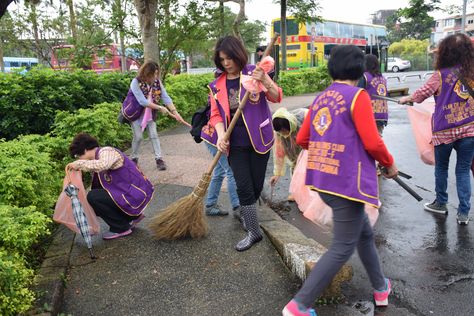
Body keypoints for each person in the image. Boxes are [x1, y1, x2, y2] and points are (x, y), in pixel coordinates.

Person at [282, 45, 398, 316]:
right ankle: (299, 305)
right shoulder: (358, 97)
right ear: (360, 71)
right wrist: (390, 163)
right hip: (348, 184)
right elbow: (372, 141)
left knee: (364, 234)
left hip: (323, 178)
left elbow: (302, 139)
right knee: (343, 245)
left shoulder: (321, 98)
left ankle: (381, 288)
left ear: (331, 68)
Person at [209, 35, 282, 251]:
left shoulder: (253, 72)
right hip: (235, 144)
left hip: (259, 139)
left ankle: (249, 217)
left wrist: (265, 80)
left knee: (256, 186)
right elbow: (215, 115)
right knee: (243, 186)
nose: (227, 63)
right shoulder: (217, 84)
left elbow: (276, 96)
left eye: (230, 58)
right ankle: (253, 230)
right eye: (222, 59)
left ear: (238, 55)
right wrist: (222, 135)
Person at [400, 33, 474, 225]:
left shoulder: (440, 75)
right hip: (469, 130)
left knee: (441, 167)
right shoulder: (472, 73)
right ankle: (464, 213)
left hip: (444, 131)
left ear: (446, 52)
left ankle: (441, 203)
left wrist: (407, 99)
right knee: (463, 170)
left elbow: (422, 93)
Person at [67, 133, 154, 240]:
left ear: (84, 150)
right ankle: (132, 216)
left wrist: (79, 164)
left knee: (93, 197)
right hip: (129, 192)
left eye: (77, 156)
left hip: (135, 193)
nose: (78, 159)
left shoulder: (106, 151)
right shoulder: (97, 157)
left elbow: (103, 165)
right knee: (94, 197)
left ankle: (121, 228)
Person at [126, 61, 186, 170]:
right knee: (138, 137)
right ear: (146, 73)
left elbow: (165, 97)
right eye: (153, 74)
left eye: (156, 74)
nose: (155, 76)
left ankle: (159, 159)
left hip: (149, 114)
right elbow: (142, 101)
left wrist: (175, 113)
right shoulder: (135, 82)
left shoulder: (157, 82)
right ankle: (134, 158)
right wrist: (160, 108)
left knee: (154, 135)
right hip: (136, 114)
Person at [201, 104, 240, 216]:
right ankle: (237, 207)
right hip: (215, 139)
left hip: (211, 136)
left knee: (219, 171)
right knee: (231, 171)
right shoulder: (222, 96)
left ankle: (210, 205)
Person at [270, 107, 308, 201]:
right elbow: (279, 153)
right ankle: (296, 193)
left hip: (308, 149)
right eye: (280, 131)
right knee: (295, 169)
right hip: (295, 155)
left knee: (309, 172)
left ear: (290, 124)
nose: (283, 133)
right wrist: (277, 174)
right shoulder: (279, 134)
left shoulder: (304, 117)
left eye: (284, 130)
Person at [358, 54, 388, 137]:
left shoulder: (364, 77)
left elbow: (357, 94)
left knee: (366, 141)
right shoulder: (382, 78)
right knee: (377, 141)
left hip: (369, 114)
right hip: (382, 115)